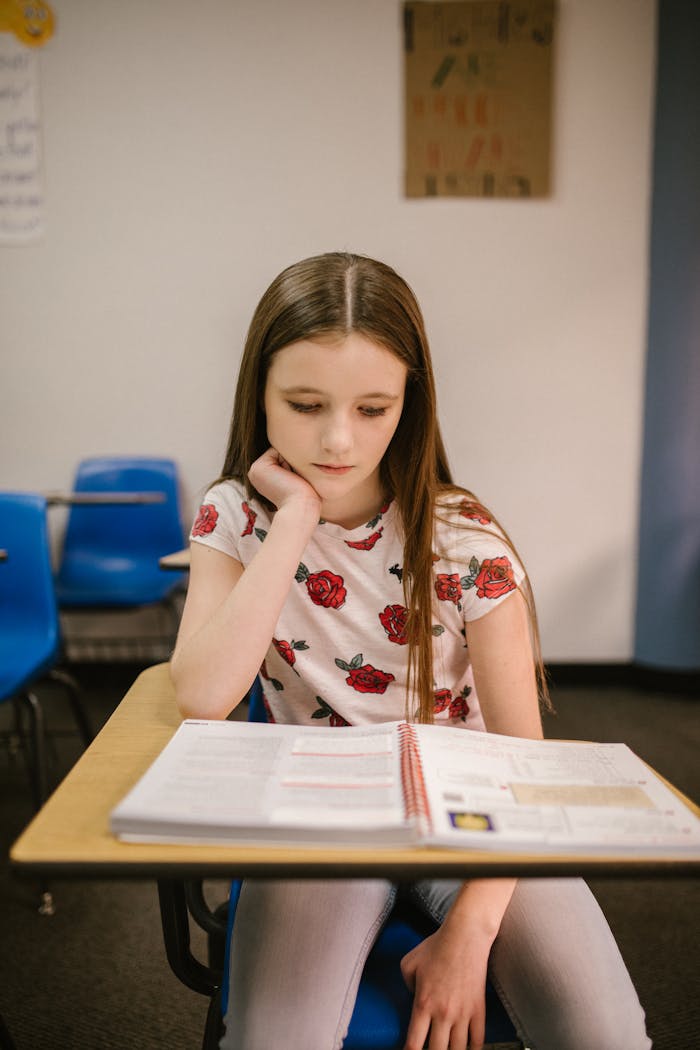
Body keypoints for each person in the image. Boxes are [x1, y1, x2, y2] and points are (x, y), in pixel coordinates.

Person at [170, 252, 651, 1050]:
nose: (336, 438)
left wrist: (470, 935)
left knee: (607, 1032)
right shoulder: (235, 516)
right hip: (320, 813)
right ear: (259, 392)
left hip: (474, 813)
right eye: (304, 403)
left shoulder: (465, 536)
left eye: (372, 407)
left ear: (410, 404)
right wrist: (294, 518)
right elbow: (202, 697)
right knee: (271, 1038)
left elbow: (521, 763)